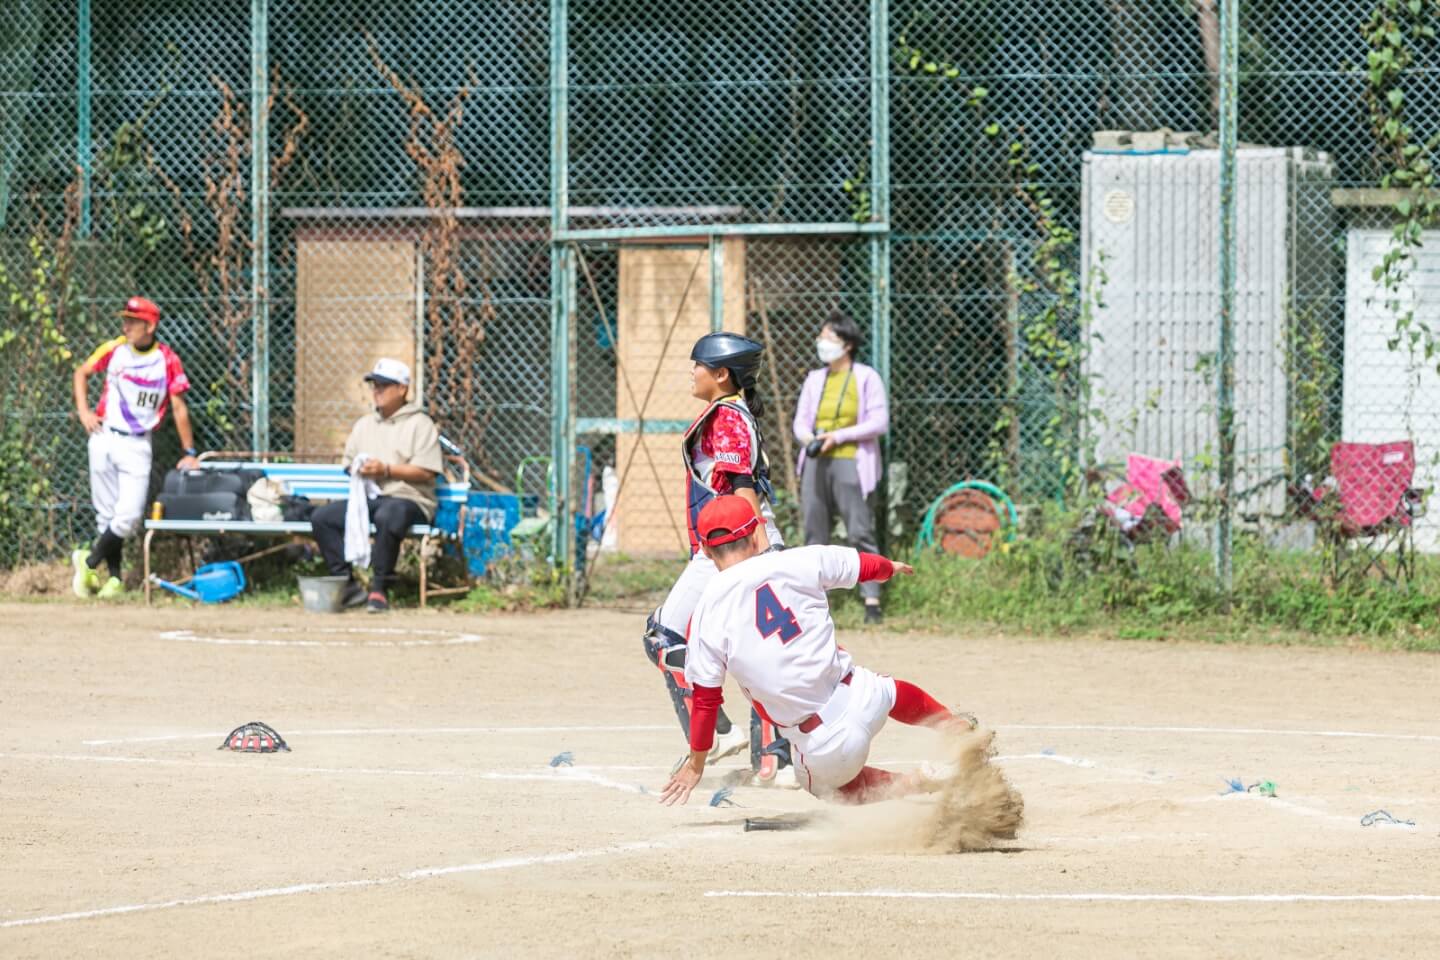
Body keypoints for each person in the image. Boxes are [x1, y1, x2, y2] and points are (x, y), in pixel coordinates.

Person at [659, 495, 973, 806]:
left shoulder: (706, 611)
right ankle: (954, 726)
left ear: (704, 549)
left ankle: (916, 781)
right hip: (862, 695)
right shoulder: (796, 559)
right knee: (889, 690)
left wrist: (695, 765)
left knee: (824, 787)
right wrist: (889, 567)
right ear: (756, 535)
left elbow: (705, 701)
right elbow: (860, 565)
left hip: (825, 745)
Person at [641, 332, 792, 782]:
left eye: (698, 365)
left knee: (663, 637)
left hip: (737, 546)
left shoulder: (726, 415)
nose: (692, 372)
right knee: (753, 647)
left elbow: (743, 488)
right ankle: (773, 757)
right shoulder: (728, 412)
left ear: (721, 374)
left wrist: (757, 553)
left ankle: (734, 737)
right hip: (729, 545)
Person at [71, 296, 201, 599]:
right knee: (106, 516)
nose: (126, 325)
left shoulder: (166, 359)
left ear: (150, 325)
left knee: (127, 517)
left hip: (137, 443)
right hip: (104, 437)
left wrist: (189, 451)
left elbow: (179, 408)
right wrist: (84, 412)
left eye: (133, 320)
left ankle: (88, 561)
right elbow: (82, 373)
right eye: (125, 319)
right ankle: (114, 580)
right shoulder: (115, 350)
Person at [309, 358, 444, 613]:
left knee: (389, 515)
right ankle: (347, 586)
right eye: (374, 385)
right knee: (322, 517)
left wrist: (386, 470)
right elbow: (348, 463)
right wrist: (359, 468)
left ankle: (380, 588)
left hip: (410, 499)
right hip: (370, 497)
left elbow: (427, 472)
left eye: (384, 385)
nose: (377, 391)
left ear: (402, 389)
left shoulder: (420, 424)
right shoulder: (364, 425)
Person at [793, 312, 890, 623]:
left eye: (829, 338)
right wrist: (811, 439)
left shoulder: (866, 377)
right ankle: (816, 605)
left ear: (847, 344)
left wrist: (838, 437)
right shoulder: (814, 379)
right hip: (816, 460)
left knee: (860, 530)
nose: (822, 343)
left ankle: (872, 600)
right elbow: (801, 422)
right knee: (814, 533)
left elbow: (878, 422)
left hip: (851, 460)